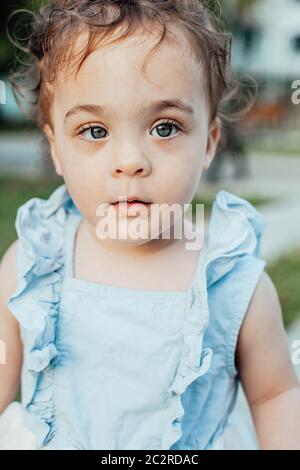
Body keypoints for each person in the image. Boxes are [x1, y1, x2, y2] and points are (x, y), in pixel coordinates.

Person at [0, 0, 299, 450]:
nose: (130, 162)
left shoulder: (232, 285)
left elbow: (277, 394)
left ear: (209, 143)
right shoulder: (32, 265)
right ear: (57, 148)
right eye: (95, 131)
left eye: (164, 127)